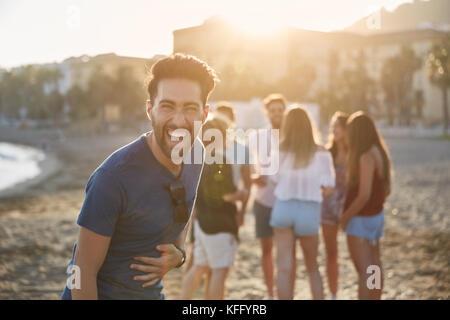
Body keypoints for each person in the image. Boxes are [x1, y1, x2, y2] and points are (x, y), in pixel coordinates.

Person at [61, 53, 218, 300]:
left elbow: (183, 206)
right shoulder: (112, 178)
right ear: (150, 110)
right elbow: (81, 271)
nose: (178, 120)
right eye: (167, 106)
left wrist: (179, 253)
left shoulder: (197, 152)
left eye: (190, 108)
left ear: (205, 114)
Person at [269, 105, 335, 300]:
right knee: (312, 267)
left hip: (283, 208)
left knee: (283, 269)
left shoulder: (280, 151)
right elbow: (330, 188)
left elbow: (273, 179)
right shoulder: (322, 153)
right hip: (309, 210)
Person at [180, 116, 246, 300]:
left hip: (202, 223)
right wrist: (241, 195)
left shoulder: (197, 159)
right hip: (220, 224)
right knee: (219, 271)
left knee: (199, 267)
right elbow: (222, 195)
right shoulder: (219, 162)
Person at [340, 111, 392, 300]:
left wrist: (344, 218)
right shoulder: (380, 152)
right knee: (374, 264)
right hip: (377, 217)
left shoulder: (365, 157)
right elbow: (387, 189)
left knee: (364, 270)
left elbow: (363, 195)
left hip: (361, 219)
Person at [250, 93, 286, 300]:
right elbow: (246, 164)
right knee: (266, 251)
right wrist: (253, 179)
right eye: (273, 110)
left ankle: (283, 293)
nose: (276, 114)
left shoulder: (291, 135)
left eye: (280, 110)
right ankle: (271, 294)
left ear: (284, 112)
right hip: (263, 200)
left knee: (284, 252)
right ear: (267, 113)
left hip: (285, 202)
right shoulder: (258, 136)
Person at [320, 111, 349, 300]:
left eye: (337, 125)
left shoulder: (356, 153)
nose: (333, 129)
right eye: (332, 126)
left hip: (351, 207)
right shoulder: (326, 152)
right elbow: (319, 179)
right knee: (331, 252)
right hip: (328, 207)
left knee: (359, 254)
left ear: (347, 129)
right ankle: (333, 293)